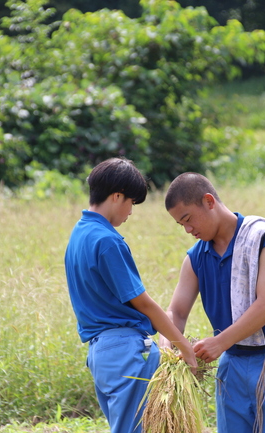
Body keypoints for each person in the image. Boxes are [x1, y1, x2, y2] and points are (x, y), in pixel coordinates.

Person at [161, 172, 265, 433]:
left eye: (188, 219)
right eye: (181, 225)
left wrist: (220, 342)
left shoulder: (262, 237)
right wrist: (167, 346)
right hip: (234, 371)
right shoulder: (196, 258)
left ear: (209, 201)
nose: (188, 230)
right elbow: (176, 312)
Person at [64, 158, 197, 433]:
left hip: (101, 355)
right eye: (131, 203)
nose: (130, 212)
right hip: (123, 351)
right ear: (116, 196)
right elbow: (144, 304)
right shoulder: (107, 240)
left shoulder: (78, 234)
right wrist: (183, 346)